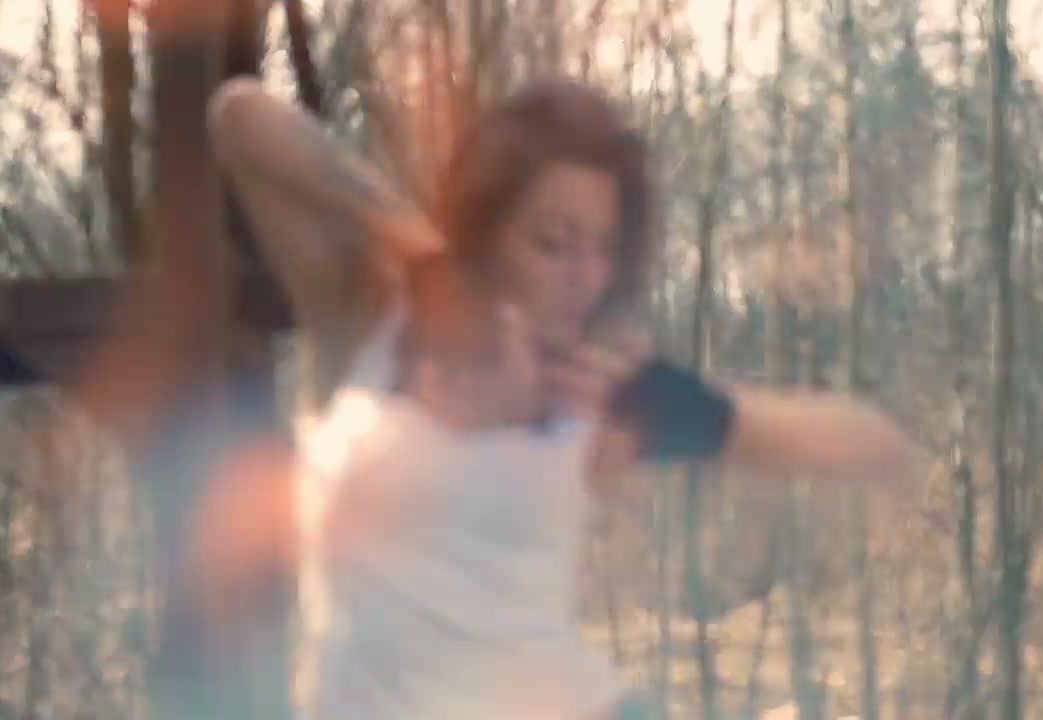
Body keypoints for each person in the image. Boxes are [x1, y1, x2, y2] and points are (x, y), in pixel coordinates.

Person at [201, 75, 919, 720]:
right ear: (484, 236)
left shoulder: (593, 392)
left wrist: (681, 406)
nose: (585, 276)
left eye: (602, 247)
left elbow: (875, 443)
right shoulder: (381, 320)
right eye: (552, 242)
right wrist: (438, 274)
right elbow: (242, 119)